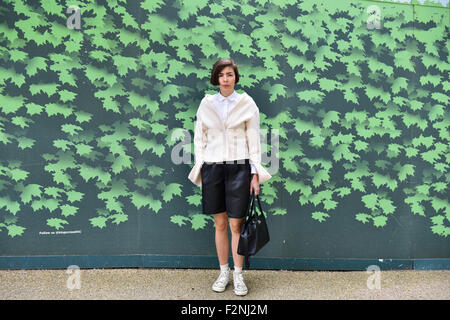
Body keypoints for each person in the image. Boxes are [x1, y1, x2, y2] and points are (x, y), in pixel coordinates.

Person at [188, 58, 272, 296]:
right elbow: (199, 138)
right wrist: (201, 166)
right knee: (220, 223)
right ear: (216, 78)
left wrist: (255, 174)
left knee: (236, 223)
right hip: (213, 168)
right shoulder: (206, 104)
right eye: (222, 75)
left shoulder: (247, 103)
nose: (226, 79)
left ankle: (238, 275)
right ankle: (223, 271)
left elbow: (254, 140)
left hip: (239, 168)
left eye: (230, 75)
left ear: (236, 77)